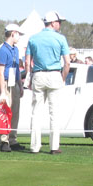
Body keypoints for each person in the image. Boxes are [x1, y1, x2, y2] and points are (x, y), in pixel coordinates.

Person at [25, 11, 70, 154]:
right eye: (59, 22)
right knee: (54, 113)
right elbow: (67, 62)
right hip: (54, 74)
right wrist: (63, 78)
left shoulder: (33, 38)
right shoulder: (60, 38)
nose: (60, 25)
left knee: (36, 112)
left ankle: (34, 146)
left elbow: (27, 62)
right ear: (53, 23)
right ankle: (54, 146)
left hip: (38, 74)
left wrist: (29, 77)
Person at [0, 24, 24, 153]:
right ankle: (4, 140)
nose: (19, 37)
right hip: (5, 82)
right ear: (13, 33)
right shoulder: (2, 50)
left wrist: (20, 85)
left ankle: (12, 139)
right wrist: (2, 91)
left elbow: (17, 69)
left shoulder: (15, 50)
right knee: (4, 111)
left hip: (14, 83)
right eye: (18, 34)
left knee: (15, 112)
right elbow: (0, 72)